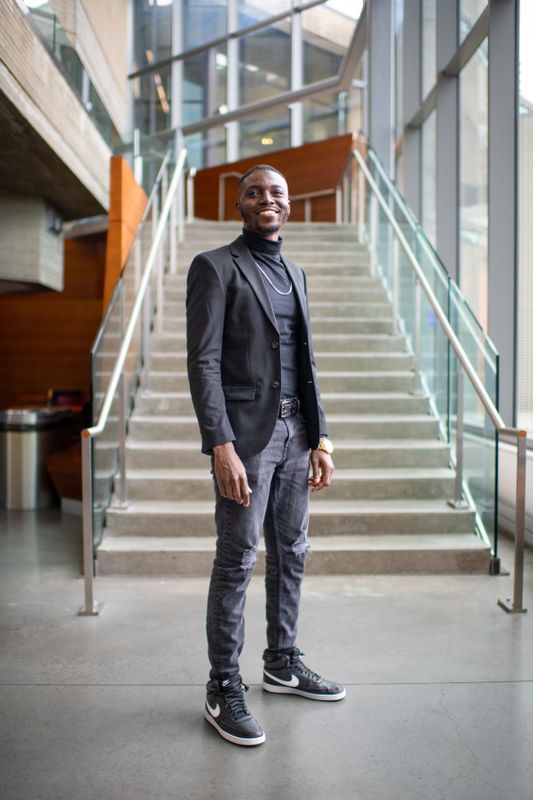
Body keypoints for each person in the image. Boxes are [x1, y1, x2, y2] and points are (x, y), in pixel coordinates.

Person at [186, 164, 345, 748]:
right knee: (237, 560)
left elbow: (307, 362)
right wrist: (220, 444)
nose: (266, 199)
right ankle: (222, 683)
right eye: (254, 192)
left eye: (275, 192)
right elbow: (202, 362)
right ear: (240, 205)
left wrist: (320, 436)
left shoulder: (295, 272)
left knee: (293, 551)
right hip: (246, 441)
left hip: (296, 436)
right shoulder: (216, 267)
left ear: (289, 204)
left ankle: (282, 661)